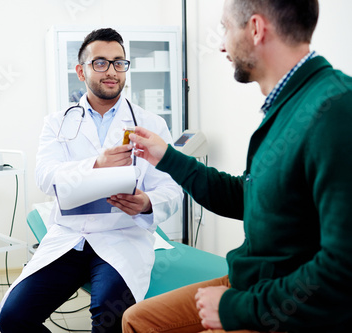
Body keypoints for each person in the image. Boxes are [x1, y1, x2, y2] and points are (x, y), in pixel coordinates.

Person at [122, 0, 352, 332]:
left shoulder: (333, 110)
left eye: (226, 29)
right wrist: (167, 157)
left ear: (256, 29)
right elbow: (249, 197)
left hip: (278, 299)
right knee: (137, 319)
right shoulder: (288, 105)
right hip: (250, 282)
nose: (220, 44)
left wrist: (237, 308)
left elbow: (342, 272)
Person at [0, 28, 183, 332]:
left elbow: (172, 187)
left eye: (119, 63)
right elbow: (45, 176)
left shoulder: (151, 124)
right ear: (81, 71)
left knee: (109, 316)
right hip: (70, 236)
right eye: (100, 63)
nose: (111, 71)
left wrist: (147, 203)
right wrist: (96, 164)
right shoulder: (58, 123)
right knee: (14, 317)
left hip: (122, 236)